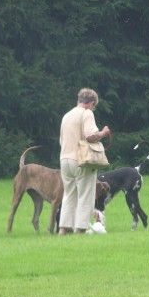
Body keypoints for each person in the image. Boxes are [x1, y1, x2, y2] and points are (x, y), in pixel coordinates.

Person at [58, 88, 111, 235]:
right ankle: (80, 230)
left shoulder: (66, 115)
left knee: (69, 195)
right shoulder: (87, 113)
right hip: (81, 160)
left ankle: (63, 230)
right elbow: (90, 136)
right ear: (92, 103)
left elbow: (61, 140)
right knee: (85, 196)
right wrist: (103, 133)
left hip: (64, 159)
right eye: (94, 106)